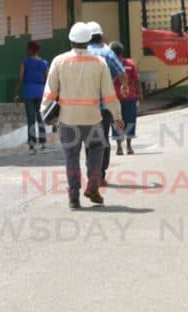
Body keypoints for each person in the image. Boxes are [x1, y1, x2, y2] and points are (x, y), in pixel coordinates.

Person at [42, 22, 123, 209]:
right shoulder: (99, 63)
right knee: (96, 149)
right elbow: (109, 94)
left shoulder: (59, 61)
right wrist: (117, 116)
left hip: (67, 119)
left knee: (71, 156)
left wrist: (45, 112)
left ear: (70, 40)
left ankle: (73, 197)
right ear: (88, 41)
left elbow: (50, 92)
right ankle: (93, 186)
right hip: (92, 118)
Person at [85, 21, 127, 183]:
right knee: (103, 139)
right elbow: (122, 74)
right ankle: (100, 174)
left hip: (84, 106)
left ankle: (91, 172)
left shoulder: (81, 53)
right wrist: (123, 85)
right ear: (101, 36)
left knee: (89, 140)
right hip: (103, 106)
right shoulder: (107, 53)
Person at [109, 41, 142, 155]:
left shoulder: (109, 64)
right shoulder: (130, 63)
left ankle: (119, 147)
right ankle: (129, 146)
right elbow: (137, 80)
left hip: (114, 98)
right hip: (129, 97)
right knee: (130, 120)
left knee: (116, 121)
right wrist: (139, 94)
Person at [15, 40, 48, 152]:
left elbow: (20, 77)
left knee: (31, 119)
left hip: (29, 92)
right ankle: (43, 142)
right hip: (41, 92)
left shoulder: (25, 61)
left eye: (27, 48)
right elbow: (47, 79)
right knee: (40, 118)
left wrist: (16, 93)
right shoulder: (44, 63)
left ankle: (32, 144)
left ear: (30, 49)